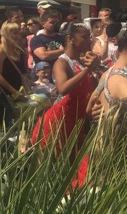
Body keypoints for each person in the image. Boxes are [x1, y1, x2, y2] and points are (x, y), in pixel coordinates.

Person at [30, 22, 101, 186]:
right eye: (84, 37)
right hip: (58, 123)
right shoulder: (61, 62)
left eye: (89, 37)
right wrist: (87, 70)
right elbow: (62, 88)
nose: (89, 40)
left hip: (75, 121)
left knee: (69, 170)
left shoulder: (79, 61)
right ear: (70, 39)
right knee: (48, 172)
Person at [0, 22, 29, 101]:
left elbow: (23, 72)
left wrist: (31, 84)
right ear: (6, 34)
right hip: (6, 94)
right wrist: (15, 92)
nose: (18, 36)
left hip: (22, 92)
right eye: (15, 33)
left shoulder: (20, 50)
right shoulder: (0, 51)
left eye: (19, 33)